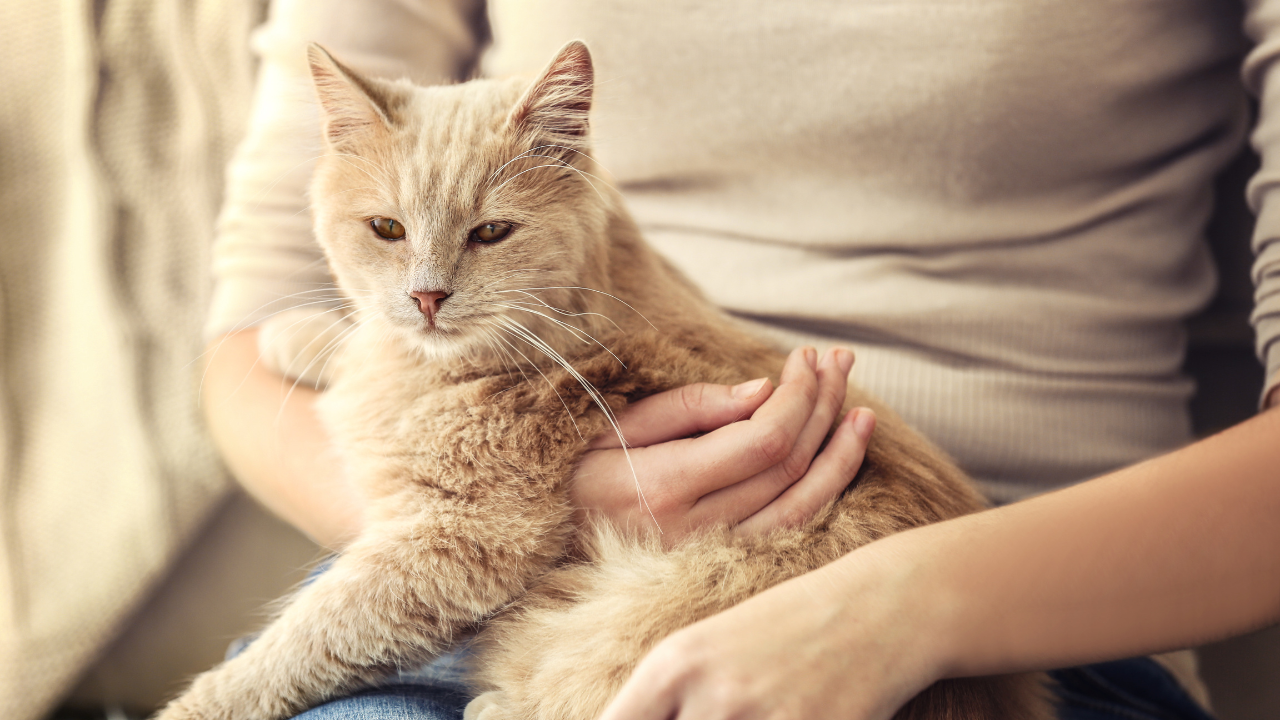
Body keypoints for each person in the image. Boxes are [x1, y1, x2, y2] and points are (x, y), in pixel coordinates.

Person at [201, 0, 1280, 717]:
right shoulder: (404, 236)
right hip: (470, 569)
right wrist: (514, 522)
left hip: (1027, 616)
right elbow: (248, 336)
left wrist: (899, 602)